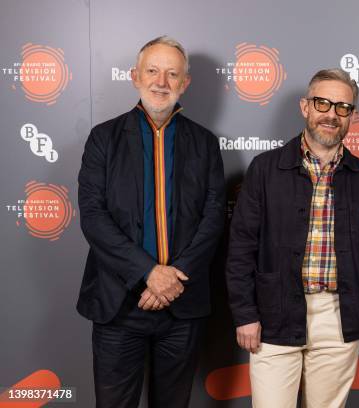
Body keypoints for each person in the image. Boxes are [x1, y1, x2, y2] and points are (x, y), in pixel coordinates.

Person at [77, 36, 225, 408]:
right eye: (153, 71)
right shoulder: (103, 139)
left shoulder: (205, 143)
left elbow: (212, 217)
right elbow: (94, 217)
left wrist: (173, 278)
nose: (162, 82)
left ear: (185, 83)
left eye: (173, 73)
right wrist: (148, 272)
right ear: (135, 76)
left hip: (182, 304)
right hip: (119, 304)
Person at [226, 68, 359, 408]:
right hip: (274, 314)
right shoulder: (265, 169)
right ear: (305, 107)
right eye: (322, 103)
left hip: (339, 319)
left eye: (343, 107)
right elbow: (241, 247)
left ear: (352, 116)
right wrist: (245, 314)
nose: (331, 114)